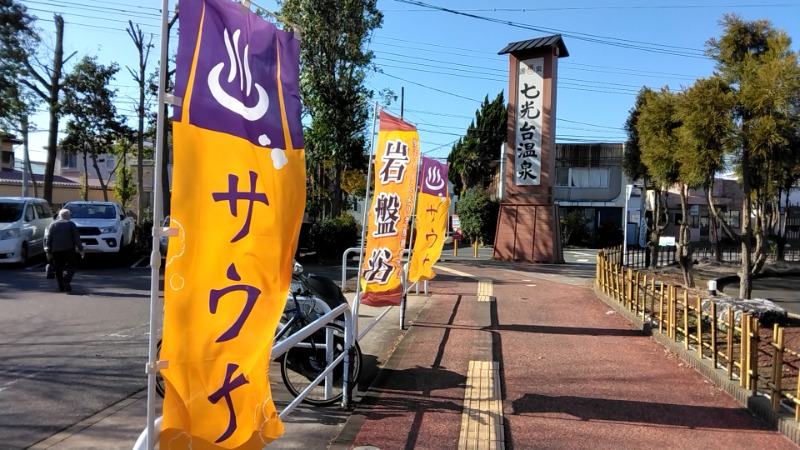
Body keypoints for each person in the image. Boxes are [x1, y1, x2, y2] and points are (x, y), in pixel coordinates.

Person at [45, 208, 85, 293]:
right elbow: (76, 238)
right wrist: (81, 249)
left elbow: (48, 238)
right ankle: (66, 280)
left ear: (59, 216)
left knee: (58, 269)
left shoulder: (52, 224)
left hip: (55, 250)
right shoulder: (71, 224)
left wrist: (48, 250)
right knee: (72, 266)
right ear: (68, 216)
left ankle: (61, 287)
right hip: (69, 250)